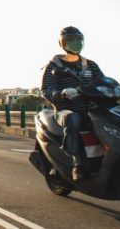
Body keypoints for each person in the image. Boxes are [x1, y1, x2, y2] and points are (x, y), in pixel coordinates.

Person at [41, 26, 105, 181]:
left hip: (90, 109)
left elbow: (103, 82)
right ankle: (76, 163)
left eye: (78, 40)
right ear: (61, 43)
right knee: (73, 119)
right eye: (69, 40)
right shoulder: (54, 66)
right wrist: (61, 94)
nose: (75, 43)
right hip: (65, 110)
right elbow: (46, 89)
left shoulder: (90, 65)